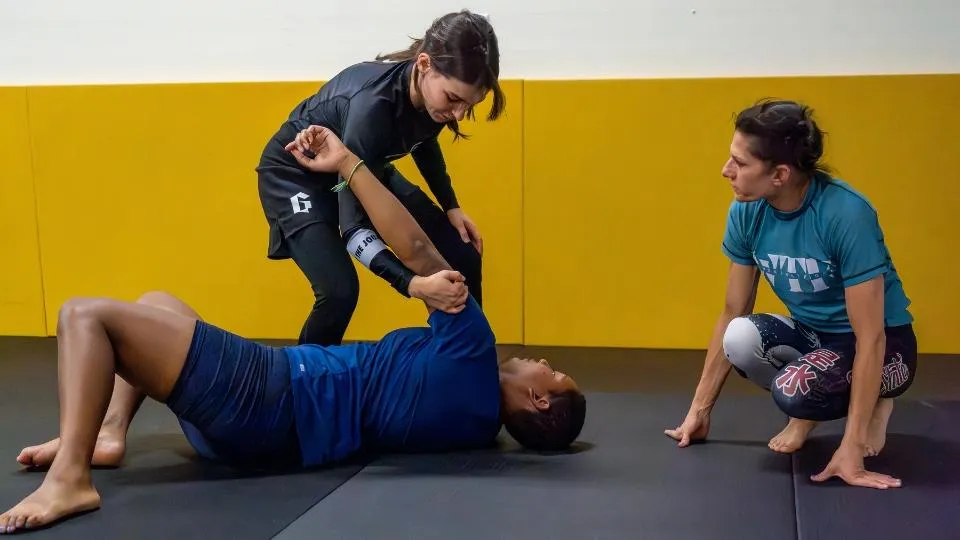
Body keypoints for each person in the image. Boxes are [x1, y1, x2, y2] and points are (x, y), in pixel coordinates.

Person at [0, 126, 586, 535]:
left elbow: (415, 248)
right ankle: (106, 434)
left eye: (552, 374)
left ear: (538, 398)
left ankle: (71, 477)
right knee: (157, 302)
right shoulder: (476, 426)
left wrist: (346, 165)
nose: (543, 361)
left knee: (84, 315)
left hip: (271, 394)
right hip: (268, 436)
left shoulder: (474, 354)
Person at [664, 99, 916, 490]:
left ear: (779, 174)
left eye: (740, 163)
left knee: (794, 392)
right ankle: (814, 402)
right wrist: (698, 410)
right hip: (817, 337)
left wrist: (852, 444)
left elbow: (872, 336)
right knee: (741, 338)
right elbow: (733, 310)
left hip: (887, 347)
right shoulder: (747, 211)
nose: (726, 171)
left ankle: (876, 404)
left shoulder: (845, 214)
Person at [257, 9, 505, 346]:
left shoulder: (433, 100)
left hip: (359, 163)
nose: (458, 115)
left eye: (470, 105)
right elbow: (354, 230)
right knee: (339, 290)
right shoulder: (372, 109)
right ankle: (303, 388)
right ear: (424, 65)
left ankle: (469, 363)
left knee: (462, 253)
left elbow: (423, 140)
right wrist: (412, 285)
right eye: (454, 99)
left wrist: (451, 206)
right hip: (296, 174)